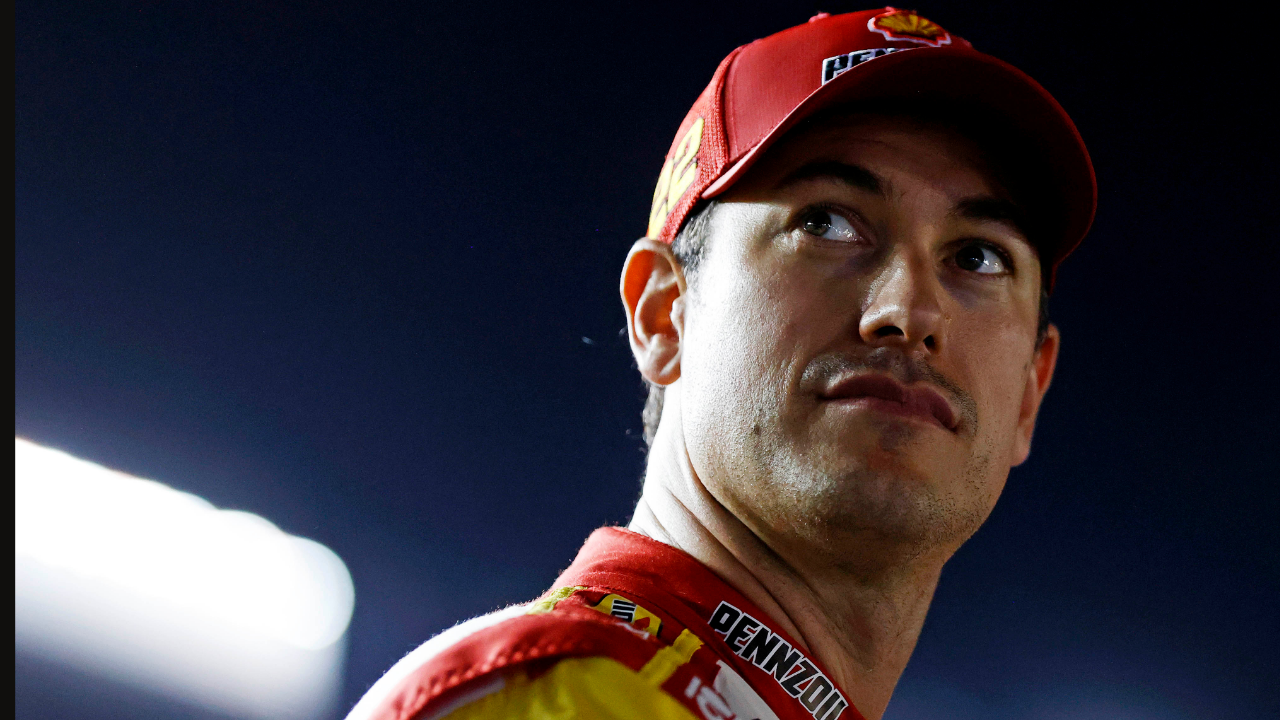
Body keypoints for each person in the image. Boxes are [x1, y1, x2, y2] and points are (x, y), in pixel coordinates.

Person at [346, 8, 1095, 720]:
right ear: (663, 313)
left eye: (978, 257)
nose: (909, 310)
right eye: (827, 222)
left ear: (1030, 395)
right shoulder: (559, 698)